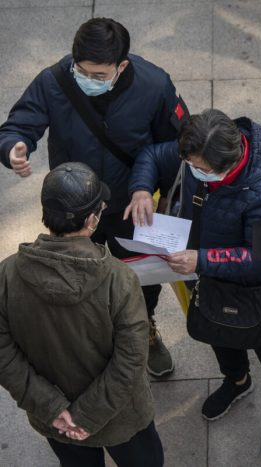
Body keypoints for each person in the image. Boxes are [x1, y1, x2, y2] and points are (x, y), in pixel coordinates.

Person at [0, 17, 187, 376]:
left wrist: (157, 196)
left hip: (131, 205)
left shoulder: (154, 84)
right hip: (74, 208)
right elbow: (21, 120)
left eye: (100, 76)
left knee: (138, 275)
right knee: (76, 275)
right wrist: (13, 147)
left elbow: (174, 146)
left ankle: (143, 326)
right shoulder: (54, 81)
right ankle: (95, 335)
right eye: (82, 71)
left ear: (122, 66)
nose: (88, 81)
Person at [125, 109, 261, 460]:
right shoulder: (198, 148)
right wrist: (142, 188)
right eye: (191, 164)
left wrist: (201, 260)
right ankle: (237, 380)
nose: (194, 171)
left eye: (202, 169)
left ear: (229, 162)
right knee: (217, 331)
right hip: (204, 272)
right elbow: (150, 156)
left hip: (259, 290)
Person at [0, 162, 162, 467]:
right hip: (121, 418)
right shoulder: (120, 279)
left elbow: (3, 354)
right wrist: (86, 417)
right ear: (92, 220)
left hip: (55, 421)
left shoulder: (6, 276)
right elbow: (131, 360)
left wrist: (54, 410)